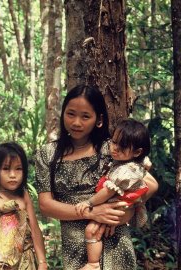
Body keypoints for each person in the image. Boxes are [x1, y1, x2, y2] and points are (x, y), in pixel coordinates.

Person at [35, 85, 158, 269]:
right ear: (63, 114)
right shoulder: (48, 153)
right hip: (75, 245)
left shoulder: (112, 148)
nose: (77, 122)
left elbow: (150, 184)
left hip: (115, 241)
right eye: (70, 114)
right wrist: (93, 213)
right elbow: (45, 205)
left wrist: (123, 211)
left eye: (85, 116)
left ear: (98, 120)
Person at [75, 118, 151, 270]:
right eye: (114, 142)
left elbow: (107, 191)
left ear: (137, 152)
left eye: (122, 146)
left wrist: (89, 203)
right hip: (121, 205)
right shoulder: (130, 163)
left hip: (116, 204)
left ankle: (93, 264)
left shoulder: (125, 171)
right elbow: (147, 164)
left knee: (91, 231)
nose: (115, 148)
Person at [0, 142, 48, 270]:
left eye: (18, 169)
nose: (13, 175)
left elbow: (35, 230)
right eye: (6, 168)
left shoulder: (24, 196)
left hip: (26, 263)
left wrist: (42, 262)